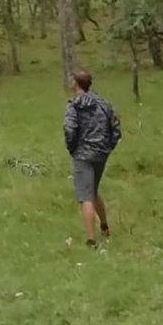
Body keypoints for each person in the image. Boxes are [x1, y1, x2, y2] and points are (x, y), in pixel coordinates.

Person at [63, 68, 121, 246]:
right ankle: (104, 226)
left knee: (85, 196)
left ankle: (91, 240)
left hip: (83, 154)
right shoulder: (104, 103)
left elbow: (69, 129)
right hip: (101, 153)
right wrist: (107, 147)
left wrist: (73, 149)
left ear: (76, 83)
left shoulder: (73, 105)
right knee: (93, 190)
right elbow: (116, 128)